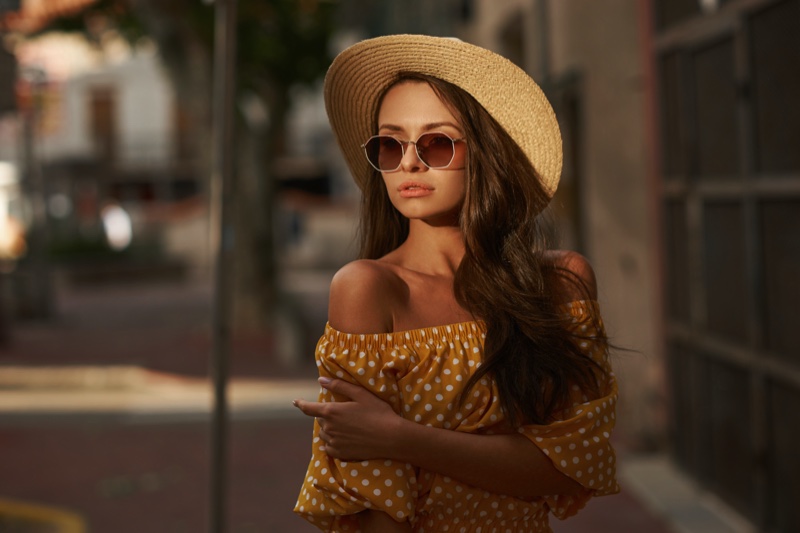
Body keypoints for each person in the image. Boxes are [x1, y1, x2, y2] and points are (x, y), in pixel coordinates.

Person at [292, 34, 619, 532]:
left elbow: (574, 467)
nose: (409, 163)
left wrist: (400, 437)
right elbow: (379, 508)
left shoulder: (561, 284)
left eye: (437, 142)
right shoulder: (368, 289)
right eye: (390, 143)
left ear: (486, 151)